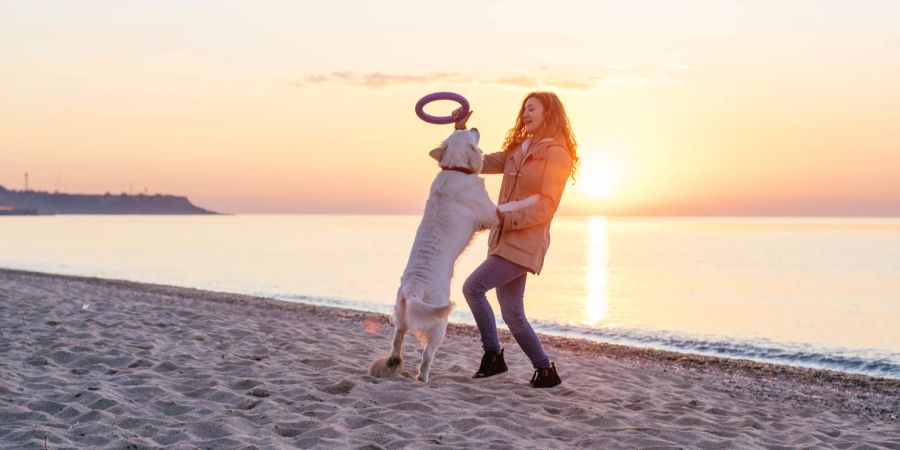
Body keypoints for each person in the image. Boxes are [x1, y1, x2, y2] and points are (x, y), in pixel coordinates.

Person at [432, 92, 578, 388]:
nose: (526, 114)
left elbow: (547, 205)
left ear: (549, 113)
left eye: (532, 109)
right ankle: (545, 371)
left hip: (525, 240)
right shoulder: (517, 149)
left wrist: (504, 218)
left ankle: (492, 354)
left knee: (473, 288)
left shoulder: (557, 153)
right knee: (513, 314)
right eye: (524, 109)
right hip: (503, 239)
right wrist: (460, 131)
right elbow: (477, 163)